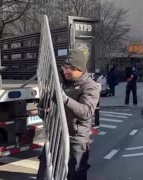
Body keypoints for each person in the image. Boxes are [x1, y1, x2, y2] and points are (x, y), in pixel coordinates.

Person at [37, 50, 100, 180]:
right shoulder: (62, 81)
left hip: (75, 139)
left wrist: (65, 100)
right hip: (56, 135)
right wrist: (43, 105)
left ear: (80, 69)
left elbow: (86, 112)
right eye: (65, 67)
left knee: (76, 174)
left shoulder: (90, 87)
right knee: (45, 170)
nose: (66, 71)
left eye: (70, 68)